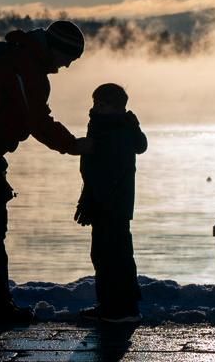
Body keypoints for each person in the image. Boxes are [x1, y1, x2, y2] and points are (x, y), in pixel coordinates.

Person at [0, 20, 88, 323]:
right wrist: (73, 146)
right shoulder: (25, 66)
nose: (66, 67)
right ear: (57, 50)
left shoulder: (24, 59)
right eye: (68, 59)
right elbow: (36, 119)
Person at [74, 82, 147, 323]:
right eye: (95, 102)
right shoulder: (108, 125)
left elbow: (107, 172)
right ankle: (116, 305)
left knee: (111, 255)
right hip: (112, 201)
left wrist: (93, 201)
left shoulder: (113, 130)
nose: (96, 108)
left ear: (117, 108)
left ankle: (118, 308)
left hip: (110, 202)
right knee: (111, 254)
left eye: (102, 104)